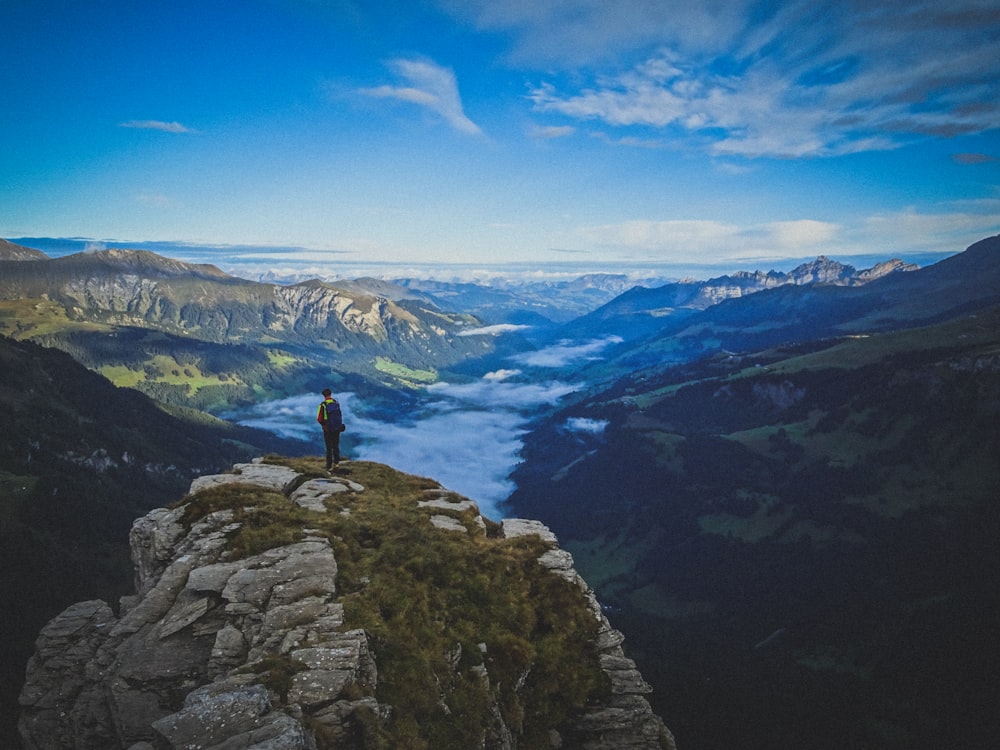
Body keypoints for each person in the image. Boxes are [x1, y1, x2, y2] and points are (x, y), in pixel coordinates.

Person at [316, 388, 344, 470]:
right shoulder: (336, 403)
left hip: (327, 429)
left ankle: (329, 466)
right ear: (330, 394)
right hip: (337, 428)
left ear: (323, 395)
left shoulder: (322, 405)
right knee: (336, 446)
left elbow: (319, 418)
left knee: (329, 447)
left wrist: (324, 425)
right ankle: (337, 463)